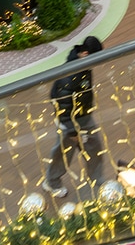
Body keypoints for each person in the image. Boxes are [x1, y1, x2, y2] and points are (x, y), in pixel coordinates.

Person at [44, 36, 107, 198]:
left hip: (83, 116)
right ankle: (52, 182)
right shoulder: (70, 76)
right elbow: (63, 106)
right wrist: (72, 133)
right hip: (69, 123)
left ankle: (97, 179)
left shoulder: (84, 66)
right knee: (63, 153)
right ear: (85, 53)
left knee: (94, 147)